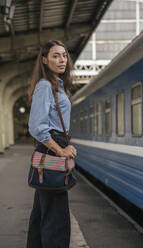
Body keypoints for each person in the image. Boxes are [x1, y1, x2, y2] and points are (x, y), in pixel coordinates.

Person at [26, 40, 77, 248]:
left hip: (52, 147)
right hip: (52, 149)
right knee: (57, 220)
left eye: (64, 55)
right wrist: (61, 150)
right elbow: (38, 127)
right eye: (55, 56)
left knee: (42, 216)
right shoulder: (45, 86)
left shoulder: (57, 84)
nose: (62, 60)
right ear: (45, 60)